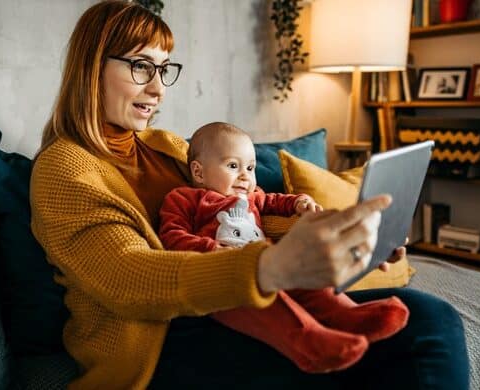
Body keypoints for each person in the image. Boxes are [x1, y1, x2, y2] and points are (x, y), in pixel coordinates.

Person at [30, 1, 470, 388]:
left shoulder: (166, 145)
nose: (159, 88)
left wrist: (341, 236)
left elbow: (241, 209)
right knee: (421, 332)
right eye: (141, 66)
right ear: (92, 67)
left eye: (164, 69)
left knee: (426, 317)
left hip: (235, 303)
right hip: (160, 345)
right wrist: (268, 266)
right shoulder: (63, 169)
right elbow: (129, 277)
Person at [158, 122, 410, 374]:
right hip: (223, 282)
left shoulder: (253, 195)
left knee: (308, 281)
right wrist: (211, 248)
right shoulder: (183, 198)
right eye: (233, 166)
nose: (245, 176)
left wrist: (299, 203)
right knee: (270, 307)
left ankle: (350, 315)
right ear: (199, 173)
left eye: (250, 168)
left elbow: (275, 201)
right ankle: (308, 342)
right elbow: (171, 237)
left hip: (268, 263)